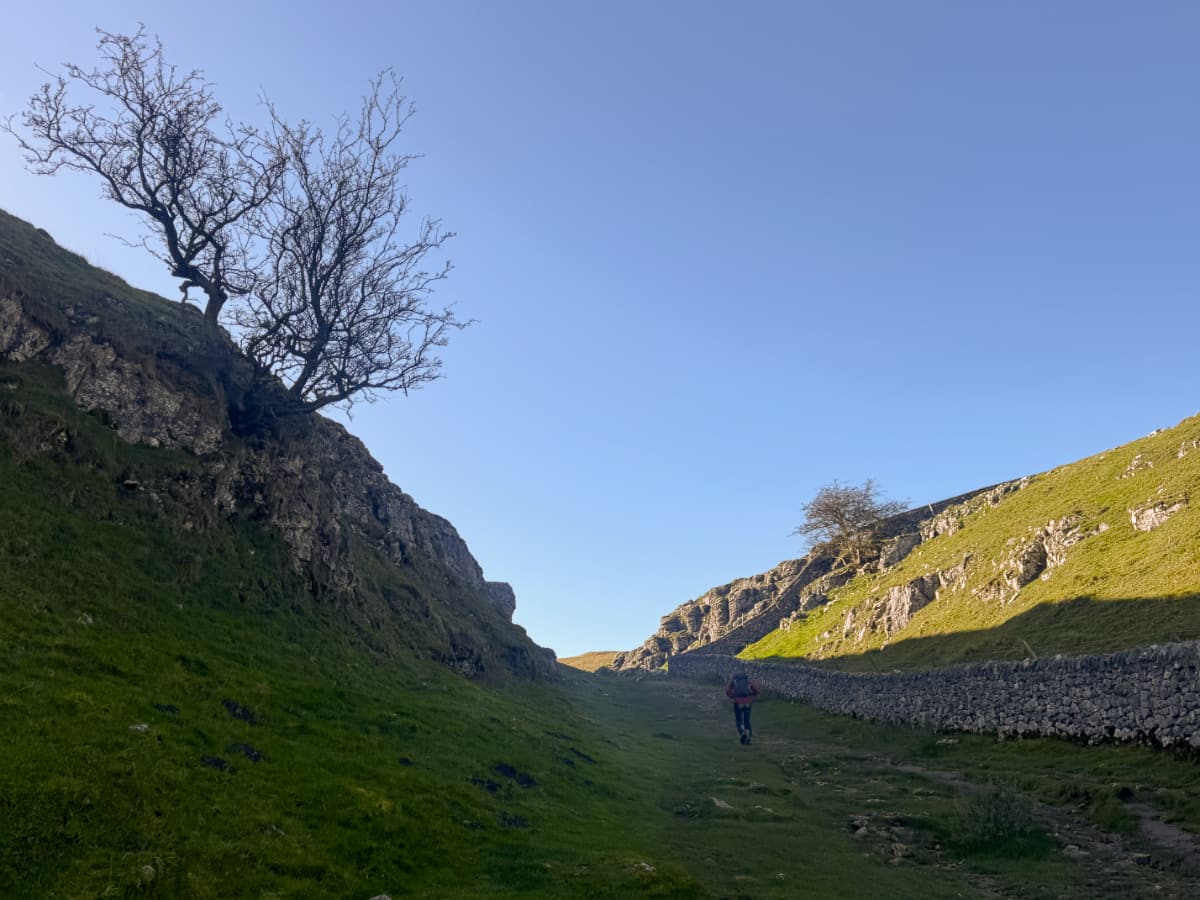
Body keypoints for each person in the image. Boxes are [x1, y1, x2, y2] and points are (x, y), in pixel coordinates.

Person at [725, 671, 760, 744]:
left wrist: (732, 696)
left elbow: (727, 690)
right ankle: (748, 739)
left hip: (737, 702)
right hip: (747, 702)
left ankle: (742, 732)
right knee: (747, 721)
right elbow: (756, 690)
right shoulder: (747, 680)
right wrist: (752, 695)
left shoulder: (734, 680)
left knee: (739, 720)